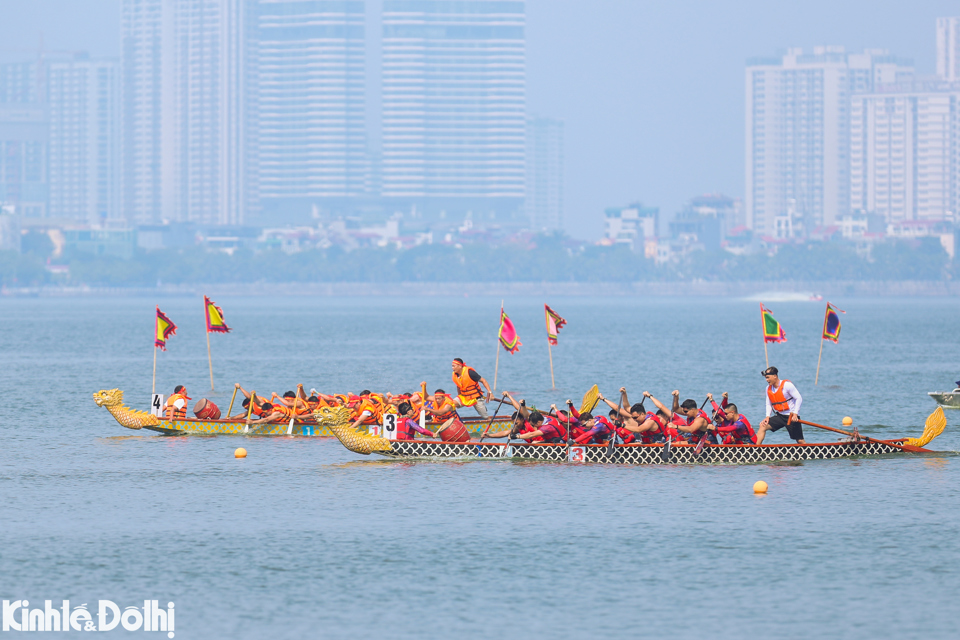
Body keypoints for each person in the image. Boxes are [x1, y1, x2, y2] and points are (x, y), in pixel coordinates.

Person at [756, 366, 805, 444]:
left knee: (799, 440)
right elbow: (768, 404)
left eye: (768, 377)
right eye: (766, 378)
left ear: (775, 376)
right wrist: (767, 416)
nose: (767, 380)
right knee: (763, 426)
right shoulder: (768, 388)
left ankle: (807, 451)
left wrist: (795, 414)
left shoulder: (787, 385)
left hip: (791, 416)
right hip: (780, 416)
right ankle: (755, 449)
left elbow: (799, 398)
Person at [643, 391, 714, 444]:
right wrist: (676, 397)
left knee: (675, 443)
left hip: (707, 442)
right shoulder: (691, 413)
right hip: (694, 440)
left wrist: (675, 426)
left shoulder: (700, 419)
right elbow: (675, 409)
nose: (684, 413)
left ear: (692, 410)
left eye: (686, 412)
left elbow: (690, 429)